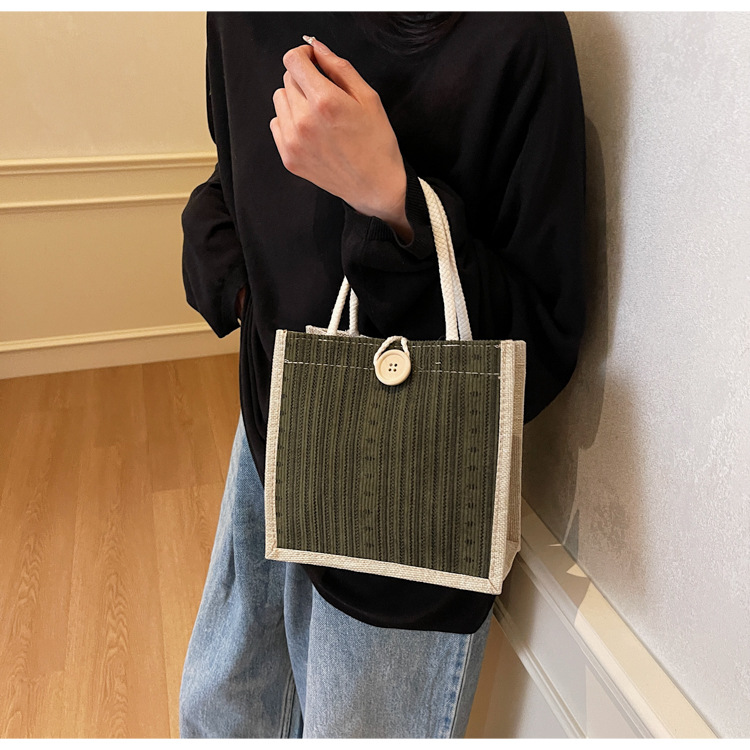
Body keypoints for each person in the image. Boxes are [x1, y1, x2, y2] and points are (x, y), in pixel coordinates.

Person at [179, 11, 586, 738]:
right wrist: (241, 287)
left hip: (407, 497)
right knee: (221, 717)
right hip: (273, 425)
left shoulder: (511, 34)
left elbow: (541, 339)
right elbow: (235, 174)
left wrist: (393, 202)